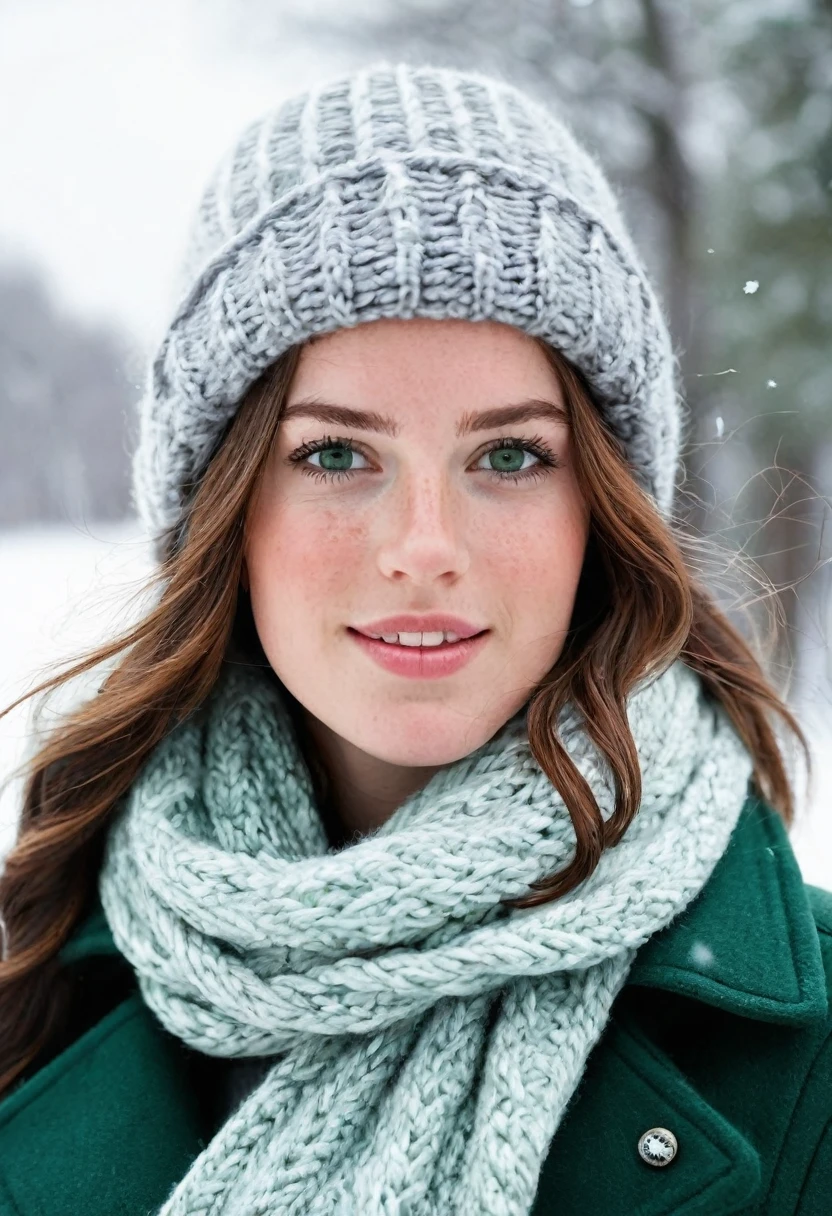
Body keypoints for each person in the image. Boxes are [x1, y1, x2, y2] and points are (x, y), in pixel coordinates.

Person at [0, 61, 830, 1216]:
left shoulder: (809, 1053)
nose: (423, 546)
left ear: (600, 506)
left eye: (510, 455)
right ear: (223, 509)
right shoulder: (35, 980)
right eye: (336, 454)